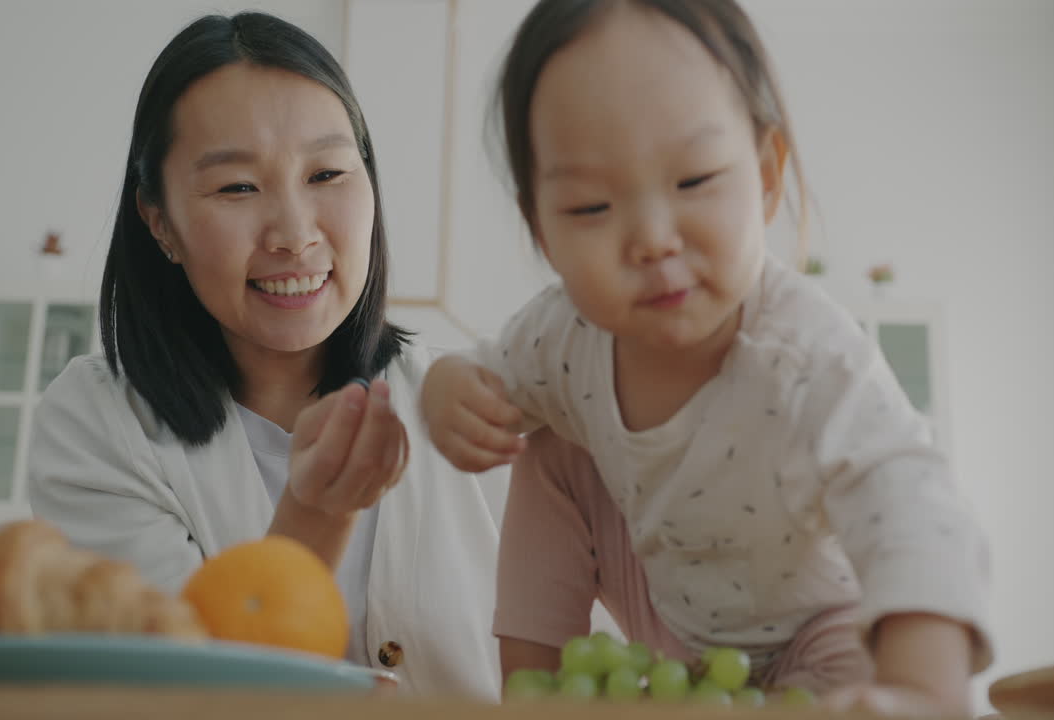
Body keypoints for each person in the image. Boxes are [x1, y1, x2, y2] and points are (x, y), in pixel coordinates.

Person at [419, 0, 992, 713]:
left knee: (857, 677)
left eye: (693, 181)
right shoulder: (562, 337)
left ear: (767, 176)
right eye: (591, 206)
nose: (653, 239)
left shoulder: (807, 352)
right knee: (547, 441)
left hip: (819, 627)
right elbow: (485, 373)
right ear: (541, 230)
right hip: (674, 633)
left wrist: (918, 686)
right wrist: (448, 391)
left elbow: (909, 496)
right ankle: (534, 692)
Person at [27, 11, 503, 700]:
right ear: (160, 222)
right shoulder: (96, 425)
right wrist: (313, 515)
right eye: (237, 187)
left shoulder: (468, 406)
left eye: (327, 173)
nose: (294, 234)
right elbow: (179, 694)